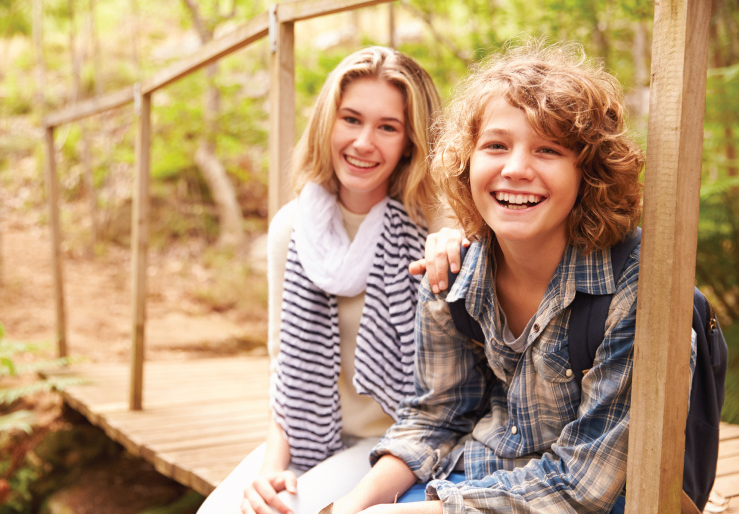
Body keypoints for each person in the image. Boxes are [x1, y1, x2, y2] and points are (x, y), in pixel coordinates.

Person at [330, 40, 694, 513]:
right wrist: (351, 507)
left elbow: (584, 486)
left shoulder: (634, 284)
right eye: (496, 146)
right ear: (466, 162)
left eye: (548, 150)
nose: (516, 169)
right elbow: (434, 420)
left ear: (589, 172)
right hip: (480, 480)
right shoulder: (453, 275)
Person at [197, 46, 448, 514]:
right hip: (309, 434)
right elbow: (282, 368)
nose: (363, 142)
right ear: (327, 122)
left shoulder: (437, 229)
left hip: (397, 440)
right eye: (350, 119)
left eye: (387, 127)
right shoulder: (292, 229)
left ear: (410, 141)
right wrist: (273, 467)